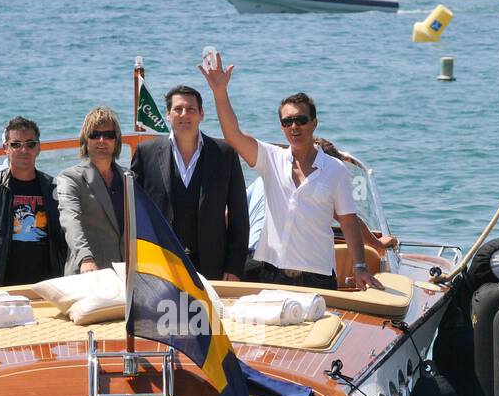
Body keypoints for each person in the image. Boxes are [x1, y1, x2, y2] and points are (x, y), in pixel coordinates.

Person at [199, 52, 382, 291]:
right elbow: (233, 135)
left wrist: (360, 266)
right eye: (287, 122)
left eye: (301, 120)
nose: (294, 126)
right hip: (269, 274)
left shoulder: (335, 169)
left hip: (317, 278)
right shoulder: (270, 159)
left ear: (314, 123)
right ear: (282, 127)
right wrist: (219, 92)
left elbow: (348, 221)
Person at [130, 84, 248, 281]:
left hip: (213, 265)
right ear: (168, 114)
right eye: (178, 109)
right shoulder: (145, 152)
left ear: (201, 114)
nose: (184, 114)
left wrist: (234, 266)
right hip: (160, 264)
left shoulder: (224, 153)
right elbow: (133, 212)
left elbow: (239, 215)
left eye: (191, 109)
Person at [246, 138, 398, 258]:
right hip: (274, 262)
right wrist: (377, 245)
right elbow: (349, 220)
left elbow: (230, 215)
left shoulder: (264, 179)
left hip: (248, 255)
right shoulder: (317, 182)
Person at [0, 116, 67, 288]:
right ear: (6, 148)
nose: (23, 150)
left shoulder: (52, 187)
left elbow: (63, 238)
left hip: (46, 284)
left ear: (38, 148)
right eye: (16, 144)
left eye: (30, 144)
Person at [56, 106, 126, 274]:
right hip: (87, 273)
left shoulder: (128, 177)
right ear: (85, 140)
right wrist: (85, 258)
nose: (102, 140)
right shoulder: (69, 178)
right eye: (95, 135)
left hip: (125, 274)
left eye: (108, 135)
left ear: (116, 141)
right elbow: (71, 220)